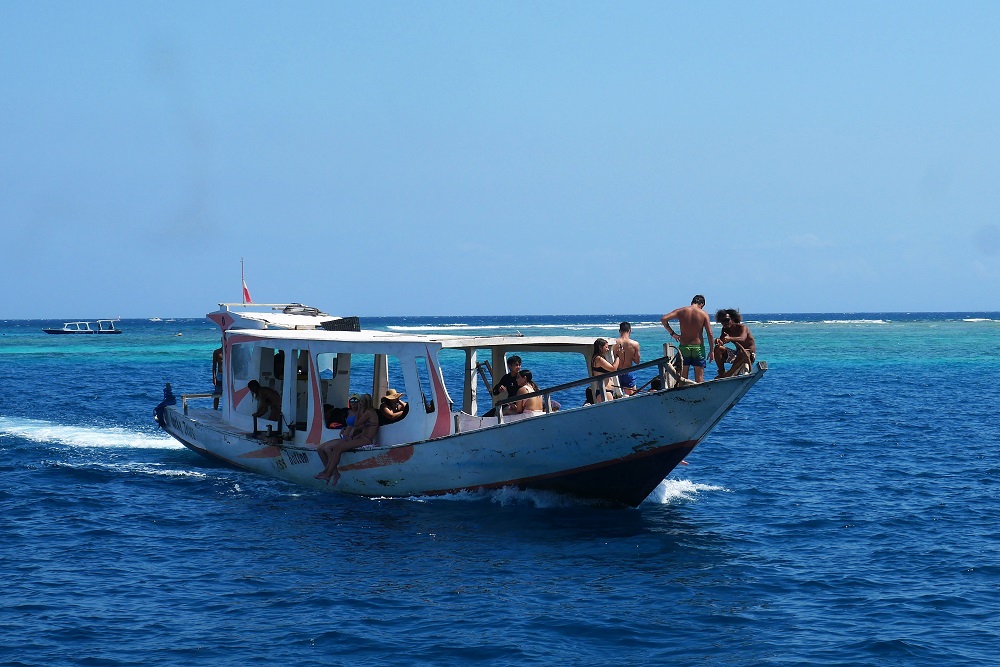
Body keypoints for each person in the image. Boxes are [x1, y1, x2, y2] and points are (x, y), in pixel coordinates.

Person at [315, 393, 379, 485]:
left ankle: (328, 473)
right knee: (335, 448)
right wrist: (353, 436)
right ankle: (327, 472)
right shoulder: (368, 412)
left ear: (365, 402)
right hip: (361, 438)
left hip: (366, 440)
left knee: (338, 448)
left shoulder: (369, 412)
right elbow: (365, 428)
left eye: (360, 401)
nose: (359, 403)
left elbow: (356, 424)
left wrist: (358, 410)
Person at [661, 294, 715, 383]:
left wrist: (672, 333)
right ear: (701, 304)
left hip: (684, 347)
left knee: (682, 378)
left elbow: (663, 319)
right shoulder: (703, 313)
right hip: (698, 347)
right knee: (699, 379)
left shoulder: (681, 311)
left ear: (692, 302)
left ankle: (683, 392)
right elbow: (710, 334)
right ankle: (699, 392)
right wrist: (712, 351)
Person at [714, 309, 757, 377]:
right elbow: (722, 341)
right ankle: (722, 372)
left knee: (741, 352)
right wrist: (718, 341)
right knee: (718, 349)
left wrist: (730, 338)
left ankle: (728, 375)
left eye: (727, 320)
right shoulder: (725, 329)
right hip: (737, 354)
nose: (725, 323)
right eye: (722, 321)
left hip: (748, 354)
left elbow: (742, 338)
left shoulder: (742, 327)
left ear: (733, 319)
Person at [614, 322, 641, 396]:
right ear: (630, 330)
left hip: (616, 372)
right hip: (628, 370)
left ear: (619, 331)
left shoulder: (614, 343)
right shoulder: (635, 344)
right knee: (632, 396)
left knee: (616, 395)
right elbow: (637, 361)